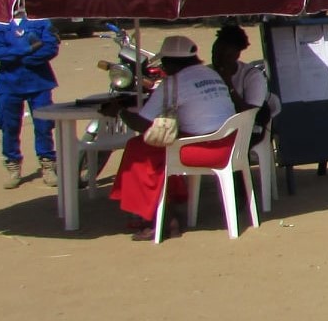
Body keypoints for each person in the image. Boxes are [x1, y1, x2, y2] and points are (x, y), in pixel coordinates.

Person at [98, 36, 236, 241]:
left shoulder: (173, 84)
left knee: (138, 149)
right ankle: (167, 209)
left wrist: (119, 110)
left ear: (172, 61)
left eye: (164, 62)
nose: (163, 66)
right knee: (151, 148)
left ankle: (156, 218)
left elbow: (143, 125)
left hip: (202, 150)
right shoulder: (210, 73)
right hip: (229, 143)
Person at [0, 15, 60, 189]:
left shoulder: (42, 21)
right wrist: (27, 48)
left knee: (44, 126)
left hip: (38, 81)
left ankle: (48, 165)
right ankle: (13, 166)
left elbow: (50, 47)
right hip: (9, 84)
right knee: (9, 126)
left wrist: (25, 58)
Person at [209, 24, 276, 146]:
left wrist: (228, 85)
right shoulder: (207, 73)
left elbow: (250, 115)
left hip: (247, 130)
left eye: (224, 56)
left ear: (236, 55)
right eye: (214, 54)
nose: (217, 60)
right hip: (214, 126)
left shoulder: (251, 76)